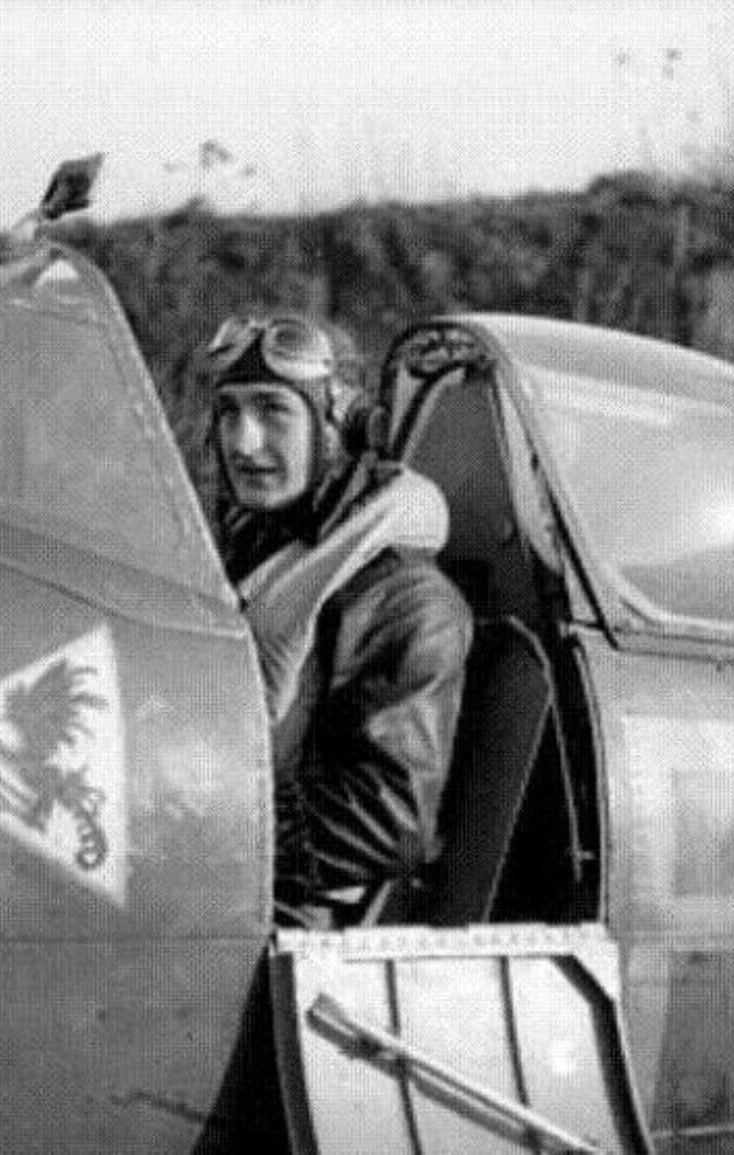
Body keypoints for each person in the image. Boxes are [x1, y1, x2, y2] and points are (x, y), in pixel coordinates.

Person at [207, 313, 473, 929]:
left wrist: (195, 838)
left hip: (293, 919)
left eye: (273, 410)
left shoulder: (406, 601)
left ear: (341, 424)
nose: (243, 442)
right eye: (228, 412)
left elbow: (385, 821)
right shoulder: (262, 562)